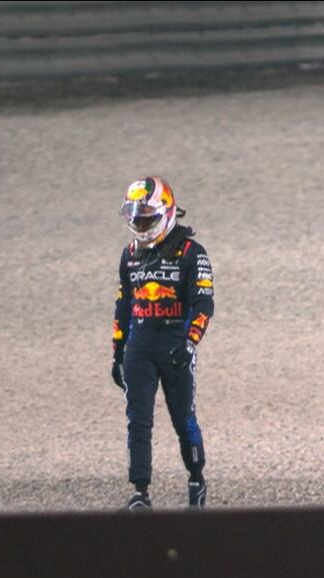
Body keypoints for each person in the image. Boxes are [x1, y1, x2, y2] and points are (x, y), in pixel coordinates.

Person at [112, 176, 214, 510]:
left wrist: (190, 343)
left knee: (183, 418)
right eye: (136, 218)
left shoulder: (192, 252)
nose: (141, 225)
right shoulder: (129, 255)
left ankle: (196, 480)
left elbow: (204, 304)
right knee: (137, 420)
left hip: (175, 346)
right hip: (139, 347)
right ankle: (140, 493)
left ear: (166, 212)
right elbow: (123, 305)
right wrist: (117, 352)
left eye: (147, 218)